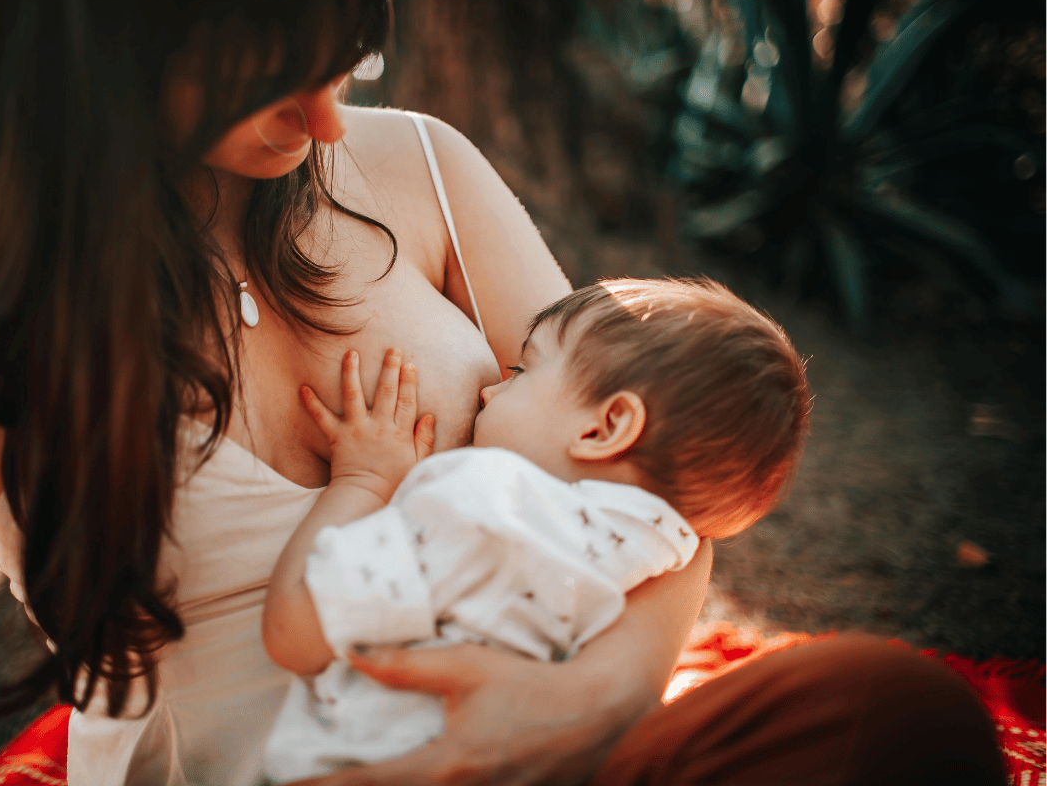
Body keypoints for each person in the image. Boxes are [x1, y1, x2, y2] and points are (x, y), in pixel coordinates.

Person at [0, 0, 1005, 784]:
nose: (326, 122)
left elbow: (655, 493)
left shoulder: (425, 164)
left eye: (342, 60)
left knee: (893, 707)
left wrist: (589, 700)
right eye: (270, 79)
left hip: (561, 754)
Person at [260, 277, 811, 781]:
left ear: (605, 427)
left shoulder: (486, 505)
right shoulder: (658, 556)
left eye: (523, 370)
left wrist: (363, 479)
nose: (490, 391)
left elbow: (295, 631)